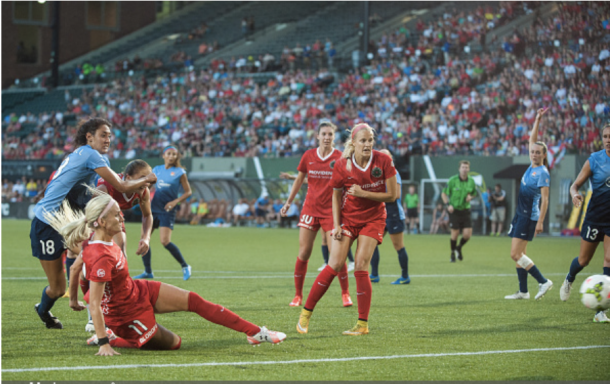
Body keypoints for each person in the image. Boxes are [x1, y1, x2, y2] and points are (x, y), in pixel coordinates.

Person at [47, 190, 286, 354]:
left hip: (136, 290)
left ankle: (255, 332)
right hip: (126, 315)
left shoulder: (96, 240)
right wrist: (103, 343)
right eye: (115, 214)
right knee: (175, 344)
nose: (121, 216)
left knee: (194, 300)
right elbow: (96, 304)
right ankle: (113, 337)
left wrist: (76, 299)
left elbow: (77, 266)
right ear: (100, 221)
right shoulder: (100, 256)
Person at [30, 118, 156, 329]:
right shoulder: (91, 155)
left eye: (109, 135)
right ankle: (43, 309)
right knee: (57, 289)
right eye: (103, 135)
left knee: (95, 258)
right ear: (89, 137)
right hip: (48, 222)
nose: (108, 139)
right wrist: (146, 180)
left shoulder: (80, 155)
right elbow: (122, 186)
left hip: (70, 221)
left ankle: (95, 315)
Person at [297, 123, 397, 336]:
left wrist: (364, 194)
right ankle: (305, 314)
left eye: (370, 140)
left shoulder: (384, 160)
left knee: (361, 265)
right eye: (363, 140)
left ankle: (362, 325)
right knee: (334, 264)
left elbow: (393, 196)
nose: (368, 144)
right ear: (354, 143)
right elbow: (335, 195)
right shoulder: (343, 165)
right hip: (348, 218)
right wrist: (337, 225)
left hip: (374, 219)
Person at [281, 120, 352, 308]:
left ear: (334, 137)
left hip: (332, 212)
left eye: (330, 134)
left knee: (335, 255)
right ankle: (298, 296)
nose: (327, 137)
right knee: (304, 252)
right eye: (324, 134)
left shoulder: (340, 157)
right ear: (318, 136)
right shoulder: (308, 155)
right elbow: (299, 180)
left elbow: (347, 183)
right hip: (310, 209)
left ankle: (345, 293)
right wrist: (288, 202)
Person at [560, 124, 610, 322]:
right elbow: (575, 185)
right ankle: (569, 279)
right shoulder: (595, 160)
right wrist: (575, 195)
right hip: (594, 218)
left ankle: (601, 311)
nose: (608, 139)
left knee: (608, 259)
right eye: (606, 136)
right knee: (584, 260)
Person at [504, 108, 553, 300]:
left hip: (528, 216)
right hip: (520, 214)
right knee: (521, 254)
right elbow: (532, 140)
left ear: (543, 155)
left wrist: (540, 221)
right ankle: (523, 291)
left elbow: (546, 199)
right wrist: (537, 120)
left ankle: (543, 281)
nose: (533, 154)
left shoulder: (542, 172)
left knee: (515, 254)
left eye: (537, 152)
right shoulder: (532, 164)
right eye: (532, 151)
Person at [134, 146, 193, 281]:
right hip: (153, 209)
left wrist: (175, 202)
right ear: (164, 155)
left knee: (165, 241)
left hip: (168, 210)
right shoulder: (156, 170)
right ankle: (148, 272)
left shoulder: (180, 172)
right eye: (169, 154)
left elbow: (188, 192)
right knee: (144, 239)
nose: (171, 156)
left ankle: (185, 266)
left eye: (174, 154)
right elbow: (148, 186)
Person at [280, 171, 355, 271]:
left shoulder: (336, 174)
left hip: (332, 209)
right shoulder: (319, 177)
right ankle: (326, 262)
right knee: (324, 238)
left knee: (337, 238)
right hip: (318, 210)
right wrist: (292, 178)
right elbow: (309, 180)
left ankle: (351, 261)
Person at [369, 149, 410, 285]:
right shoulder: (377, 174)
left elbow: (396, 195)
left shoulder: (394, 172)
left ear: (391, 159)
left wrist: (377, 195)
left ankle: (405, 276)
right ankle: (374, 275)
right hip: (381, 213)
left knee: (398, 246)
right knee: (373, 242)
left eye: (386, 155)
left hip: (393, 214)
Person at [441, 160, 477, 262]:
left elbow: (474, 193)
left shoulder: (471, 181)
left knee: (467, 235)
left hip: (465, 209)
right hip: (454, 210)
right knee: (455, 233)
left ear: (469, 169)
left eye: (466, 167)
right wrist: (448, 205)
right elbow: (444, 193)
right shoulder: (452, 180)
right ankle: (452, 253)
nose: (465, 169)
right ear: (459, 169)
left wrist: (471, 196)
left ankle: (459, 247)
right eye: (463, 167)